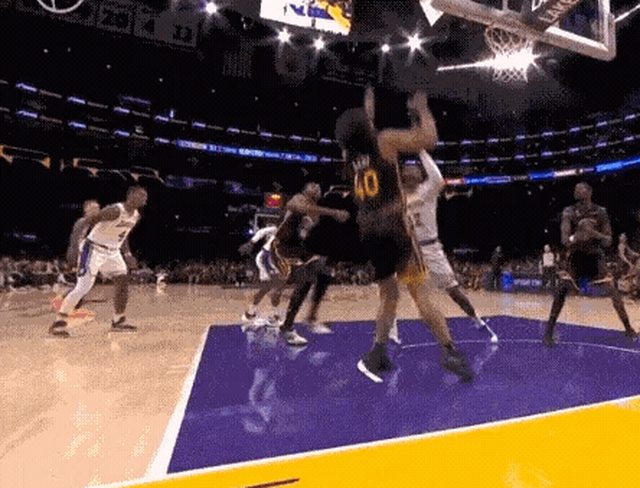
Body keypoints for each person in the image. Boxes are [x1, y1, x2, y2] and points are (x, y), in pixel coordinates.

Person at [335, 87, 473, 383]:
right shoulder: (385, 141)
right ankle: (449, 351)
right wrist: (422, 109)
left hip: (369, 233)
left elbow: (361, 130)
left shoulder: (349, 159)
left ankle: (378, 352)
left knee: (388, 296)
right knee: (421, 293)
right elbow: (429, 139)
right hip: (394, 228)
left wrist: (367, 105)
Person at [402, 151, 498, 343]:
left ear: (420, 174)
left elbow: (437, 178)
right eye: (406, 169)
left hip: (430, 247)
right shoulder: (399, 196)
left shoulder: (427, 190)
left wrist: (421, 151)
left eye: (414, 169)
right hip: (410, 250)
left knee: (453, 290)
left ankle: (477, 320)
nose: (410, 171)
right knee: (392, 291)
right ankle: (392, 337)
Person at [543, 182, 637, 346]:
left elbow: (608, 240)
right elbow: (564, 240)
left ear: (589, 192)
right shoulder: (569, 211)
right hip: (576, 258)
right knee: (561, 290)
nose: (576, 190)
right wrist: (577, 236)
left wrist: (592, 233)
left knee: (613, 292)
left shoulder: (600, 212)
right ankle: (548, 331)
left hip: (595, 258)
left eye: (581, 188)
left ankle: (628, 328)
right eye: (575, 188)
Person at [48, 186, 148, 337]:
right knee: (83, 287)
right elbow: (85, 222)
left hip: (113, 251)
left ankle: (118, 319)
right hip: (93, 248)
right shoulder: (115, 210)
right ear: (131, 195)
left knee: (122, 280)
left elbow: (123, 234)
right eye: (141, 195)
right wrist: (74, 247)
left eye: (145, 196)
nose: (144, 199)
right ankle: (59, 322)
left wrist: (127, 253)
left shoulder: (135, 216)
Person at [271, 182, 350, 346]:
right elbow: (299, 207)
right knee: (305, 280)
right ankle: (287, 328)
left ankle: (311, 317)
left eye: (318, 187)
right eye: (312, 186)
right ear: (305, 190)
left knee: (325, 271)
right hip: (282, 248)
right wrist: (334, 212)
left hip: (299, 249)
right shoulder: (298, 199)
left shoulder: (316, 215)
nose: (316, 188)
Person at [239, 222, 286, 327]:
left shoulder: (290, 236)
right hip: (266, 258)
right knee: (278, 286)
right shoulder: (279, 229)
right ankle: (275, 316)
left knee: (266, 288)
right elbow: (262, 231)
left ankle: (250, 313)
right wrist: (252, 242)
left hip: (270, 260)